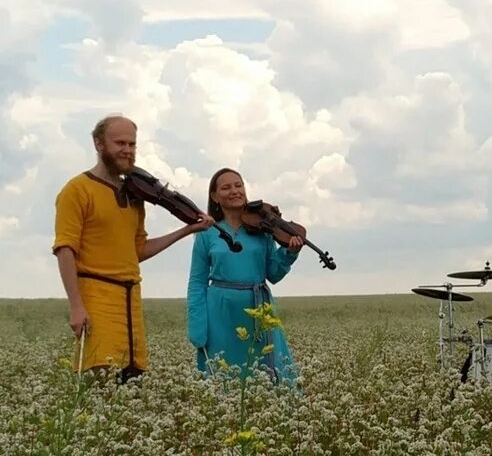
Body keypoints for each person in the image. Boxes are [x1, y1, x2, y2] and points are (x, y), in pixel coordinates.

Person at [52, 115, 212, 382]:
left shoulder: (136, 197)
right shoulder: (76, 190)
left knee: (132, 379)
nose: (127, 150)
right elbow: (65, 249)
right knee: (100, 379)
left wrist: (186, 230)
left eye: (132, 144)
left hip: (131, 301)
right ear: (98, 143)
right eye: (120, 143)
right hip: (96, 299)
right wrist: (76, 306)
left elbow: (137, 250)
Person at [187, 168, 304, 384]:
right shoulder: (206, 232)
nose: (234, 191)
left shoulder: (262, 229)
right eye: (226, 187)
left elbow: (273, 273)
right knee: (223, 373)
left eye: (238, 185)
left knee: (268, 371)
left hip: (259, 308)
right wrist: (198, 327)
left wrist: (289, 253)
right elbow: (197, 282)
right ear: (214, 196)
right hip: (220, 313)